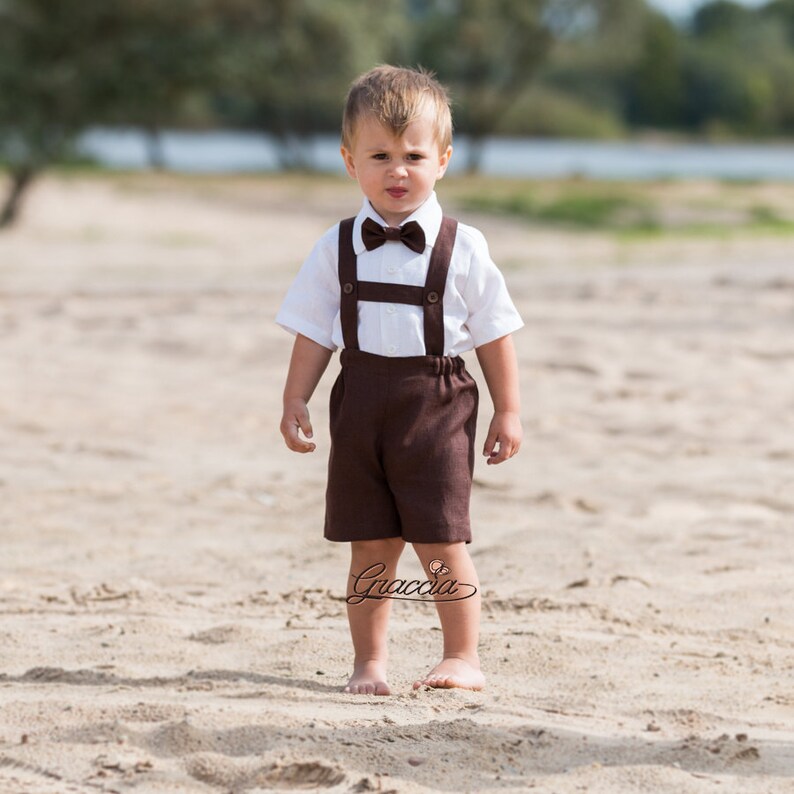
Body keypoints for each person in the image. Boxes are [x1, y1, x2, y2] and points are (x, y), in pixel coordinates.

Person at [277, 65, 523, 695]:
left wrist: (508, 410)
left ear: (443, 160)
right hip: (358, 402)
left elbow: (495, 332)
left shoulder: (464, 247)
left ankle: (462, 655)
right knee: (370, 544)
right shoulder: (335, 246)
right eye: (379, 156)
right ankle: (369, 663)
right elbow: (315, 329)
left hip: (435, 403)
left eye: (413, 156)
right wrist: (296, 397)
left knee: (440, 538)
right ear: (349, 161)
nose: (398, 171)